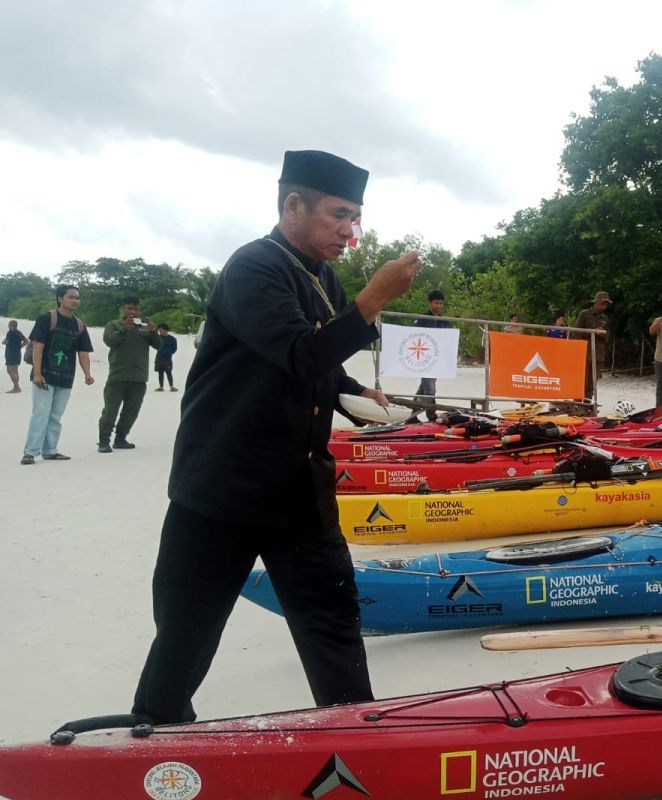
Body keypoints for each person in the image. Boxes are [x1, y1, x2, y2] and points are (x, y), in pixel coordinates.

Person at [131, 150, 422, 724]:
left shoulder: (323, 276)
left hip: (299, 490)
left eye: (355, 218)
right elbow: (297, 350)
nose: (349, 231)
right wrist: (374, 298)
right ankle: (155, 737)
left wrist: (357, 393)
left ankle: (355, 738)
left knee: (333, 623)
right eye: (339, 215)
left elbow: (323, 363)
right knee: (187, 634)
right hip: (222, 487)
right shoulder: (254, 268)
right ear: (293, 204)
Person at [20, 285, 94, 464]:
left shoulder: (79, 324)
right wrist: (37, 373)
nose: (75, 300)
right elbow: (38, 346)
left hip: (66, 377)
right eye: (71, 297)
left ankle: (50, 450)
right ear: (60, 298)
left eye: (77, 297)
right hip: (44, 375)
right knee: (41, 413)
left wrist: (87, 374)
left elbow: (83, 352)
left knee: (55, 415)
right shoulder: (47, 318)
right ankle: (30, 452)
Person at [97, 296, 161, 452]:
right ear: (122, 309)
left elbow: (159, 345)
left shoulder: (144, 327)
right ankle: (104, 441)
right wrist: (124, 328)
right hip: (118, 376)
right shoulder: (113, 325)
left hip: (139, 377)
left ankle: (120, 439)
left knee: (131, 412)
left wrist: (154, 332)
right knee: (110, 411)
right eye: (129, 308)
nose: (133, 312)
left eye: (135, 309)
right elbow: (110, 342)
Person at [414, 289, 450, 421]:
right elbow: (415, 336)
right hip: (424, 358)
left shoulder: (444, 321)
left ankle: (412, 412)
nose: (439, 306)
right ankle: (431, 416)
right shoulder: (422, 319)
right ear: (430, 303)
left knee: (424, 386)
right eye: (436, 303)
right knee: (429, 388)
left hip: (437, 360)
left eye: (441, 303)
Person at [575, 291, 611, 398]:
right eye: (603, 303)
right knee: (581, 380)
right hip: (585, 353)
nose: (604, 306)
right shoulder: (584, 314)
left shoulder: (605, 319)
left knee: (592, 383)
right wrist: (592, 331)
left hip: (598, 355)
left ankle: (587, 405)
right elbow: (576, 331)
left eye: (606, 304)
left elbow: (607, 338)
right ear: (596, 302)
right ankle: (577, 403)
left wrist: (602, 334)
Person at [5, 320, 28, 392]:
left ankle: (16, 387)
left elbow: (7, 342)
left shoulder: (10, 332)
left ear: (10, 325)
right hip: (18, 353)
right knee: (15, 371)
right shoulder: (19, 332)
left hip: (10, 354)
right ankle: (17, 387)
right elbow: (27, 341)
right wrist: (20, 347)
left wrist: (4, 342)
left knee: (9, 370)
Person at [154, 323, 179, 391]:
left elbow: (174, 348)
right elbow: (154, 340)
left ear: (166, 330)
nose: (160, 331)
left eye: (161, 330)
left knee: (169, 372)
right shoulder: (158, 337)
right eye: (159, 330)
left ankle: (171, 386)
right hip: (159, 357)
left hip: (167, 358)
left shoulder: (172, 339)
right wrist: (156, 329)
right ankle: (161, 387)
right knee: (160, 373)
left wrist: (169, 353)